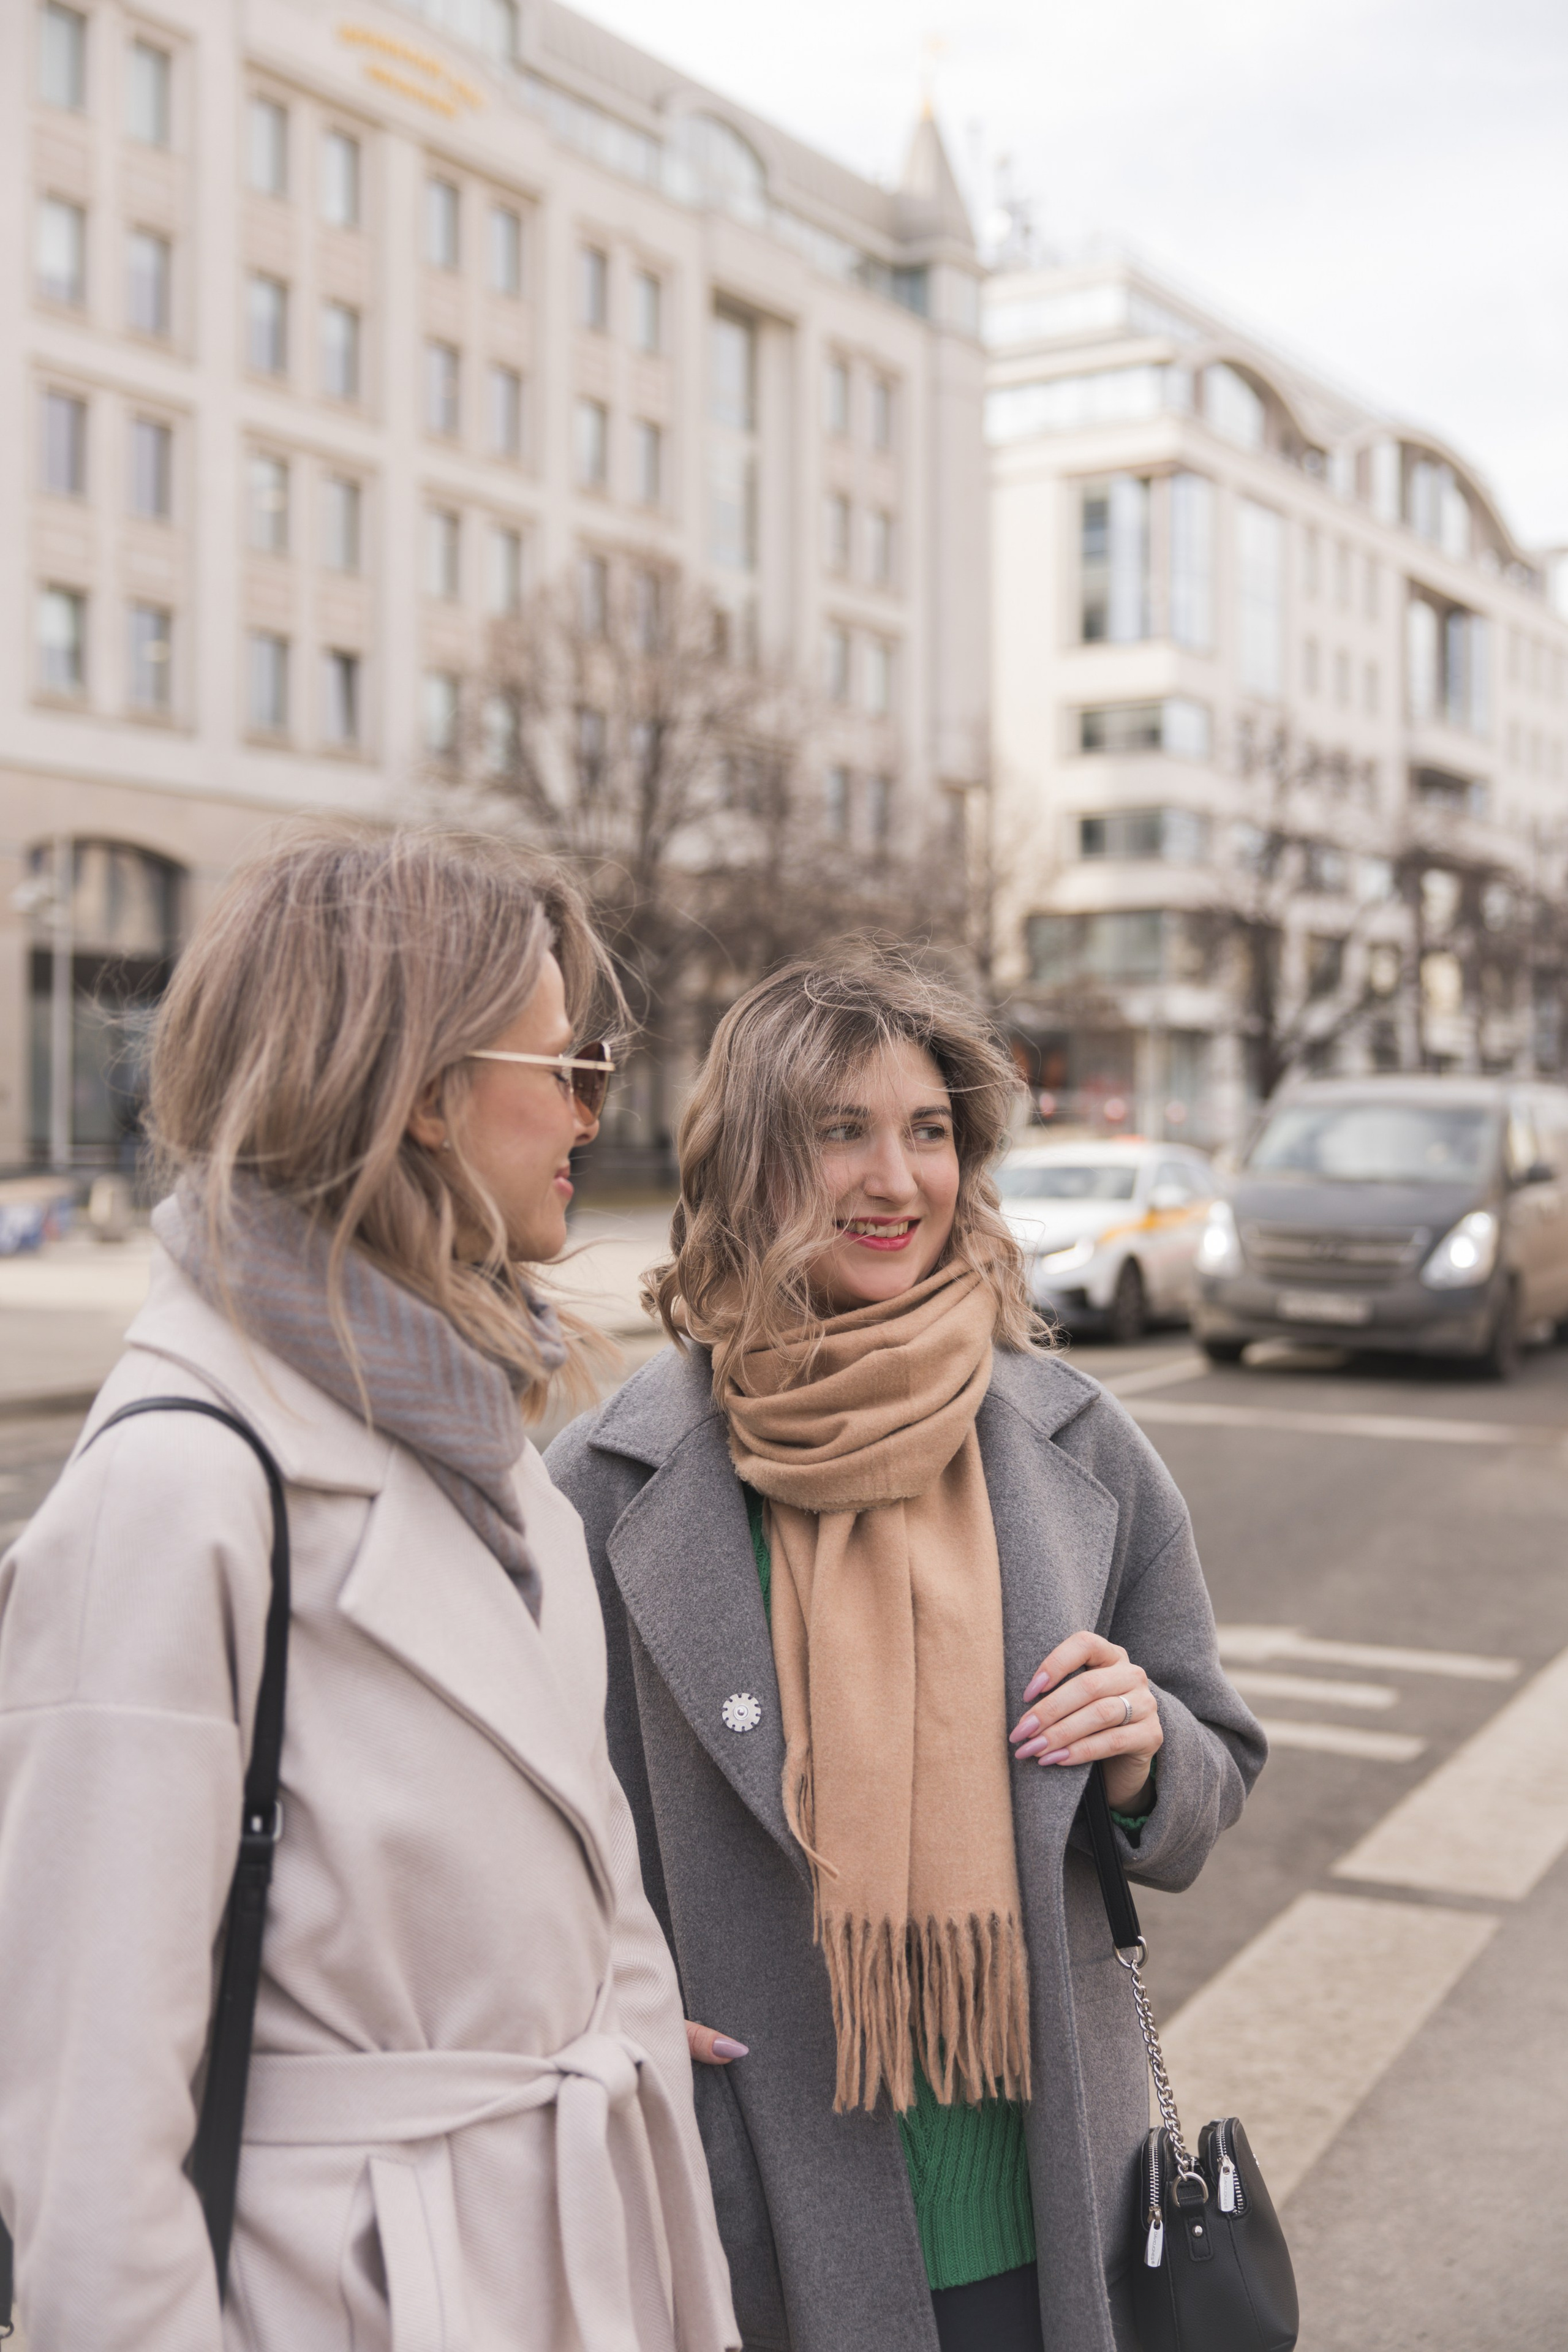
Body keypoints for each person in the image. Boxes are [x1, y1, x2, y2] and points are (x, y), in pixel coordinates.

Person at [0, 826, 739, 2352]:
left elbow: (599, 1917)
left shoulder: (487, 1451)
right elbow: (88, 2154)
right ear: (416, 1089)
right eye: (563, 1063)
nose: (590, 1110)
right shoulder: (177, 1491)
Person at [547, 956, 1265, 2352]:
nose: (895, 1180)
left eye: (927, 1131)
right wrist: (600, 2022)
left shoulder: (1072, 1441)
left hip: (1053, 2202)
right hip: (754, 2200)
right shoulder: (606, 1483)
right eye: (840, 1131)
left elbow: (1206, 1768)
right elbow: (518, 1840)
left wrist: (1142, 1755)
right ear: (752, 1161)